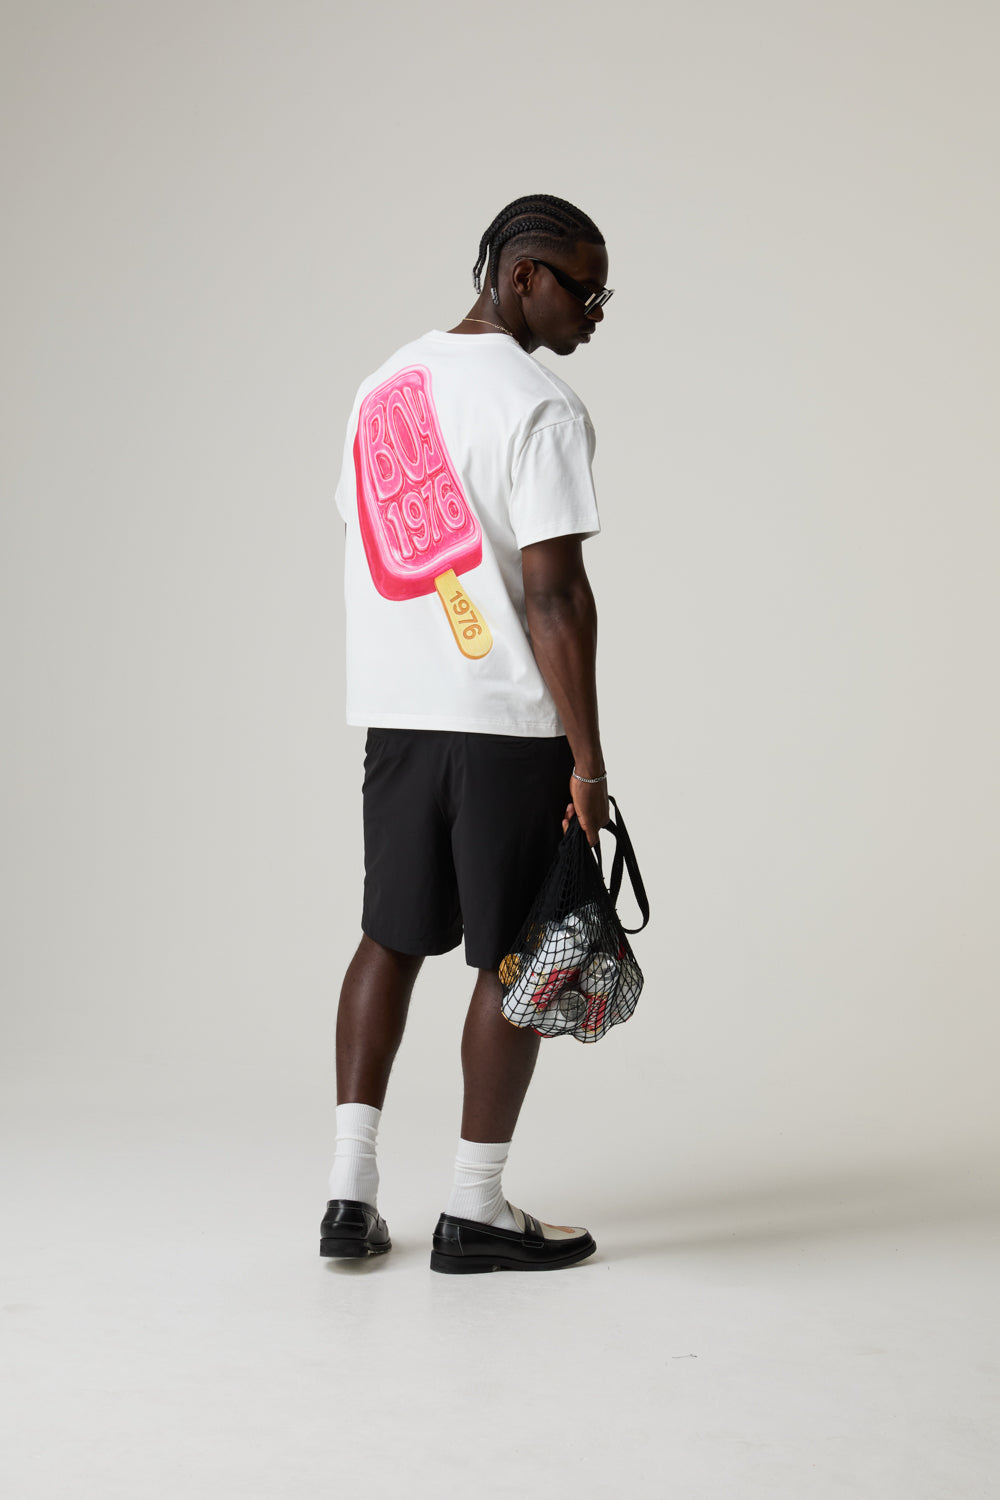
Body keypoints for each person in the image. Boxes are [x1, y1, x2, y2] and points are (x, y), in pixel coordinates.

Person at [321, 193, 614, 1274]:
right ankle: (475, 1209)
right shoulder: (539, 403)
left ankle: (348, 1197)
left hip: (398, 714)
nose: (595, 313)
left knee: (389, 937)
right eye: (585, 290)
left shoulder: (381, 385)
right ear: (526, 273)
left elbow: (372, 547)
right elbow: (553, 600)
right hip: (504, 724)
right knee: (518, 957)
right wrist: (586, 762)